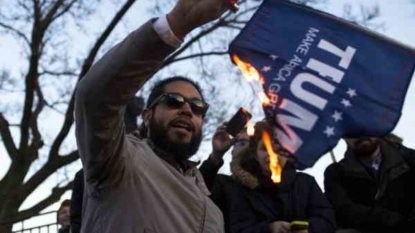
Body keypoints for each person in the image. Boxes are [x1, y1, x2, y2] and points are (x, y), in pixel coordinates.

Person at [74, 0, 229, 232]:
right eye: (174, 101)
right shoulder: (120, 162)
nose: (187, 110)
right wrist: (178, 22)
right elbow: (95, 98)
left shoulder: (215, 213)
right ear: (146, 116)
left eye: (197, 107)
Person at [231, 122, 336, 233]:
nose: (272, 155)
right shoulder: (243, 189)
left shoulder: (307, 183)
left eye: (278, 149)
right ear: (255, 155)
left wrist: (308, 229)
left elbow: (327, 219)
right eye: (264, 148)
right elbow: (240, 229)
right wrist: (270, 229)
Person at [324, 137, 415, 233]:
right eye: (351, 132)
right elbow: (343, 210)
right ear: (343, 137)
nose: (359, 135)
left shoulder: (411, 159)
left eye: (363, 127)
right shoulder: (335, 173)